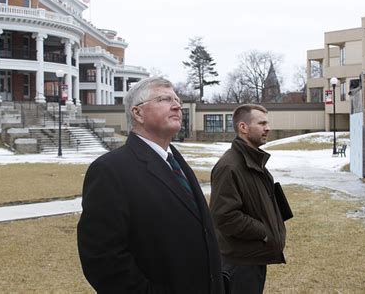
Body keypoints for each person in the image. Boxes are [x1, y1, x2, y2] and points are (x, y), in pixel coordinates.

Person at [77, 77, 224, 293]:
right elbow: (103, 259)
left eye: (177, 100)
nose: (177, 106)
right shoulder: (110, 170)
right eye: (164, 99)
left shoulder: (177, 163)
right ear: (137, 113)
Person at [209, 104, 287, 294]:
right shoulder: (230, 166)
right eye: (261, 123)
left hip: (253, 259)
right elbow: (225, 216)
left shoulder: (254, 160)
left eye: (267, 123)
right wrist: (265, 232)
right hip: (239, 264)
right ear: (243, 127)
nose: (267, 128)